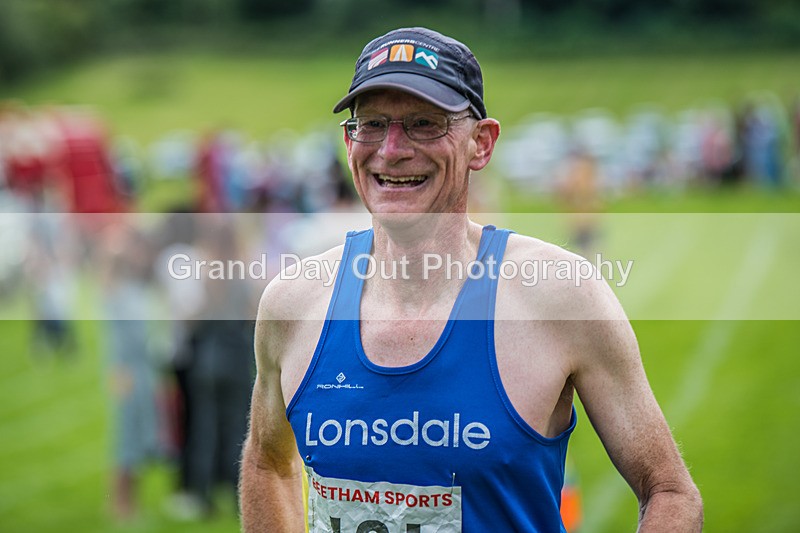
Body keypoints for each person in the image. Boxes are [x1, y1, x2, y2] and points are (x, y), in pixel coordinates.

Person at [239, 27, 703, 532]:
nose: (391, 150)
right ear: (350, 141)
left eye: (423, 124)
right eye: (372, 124)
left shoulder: (561, 297)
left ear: (481, 144)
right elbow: (267, 462)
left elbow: (670, 493)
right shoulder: (293, 304)